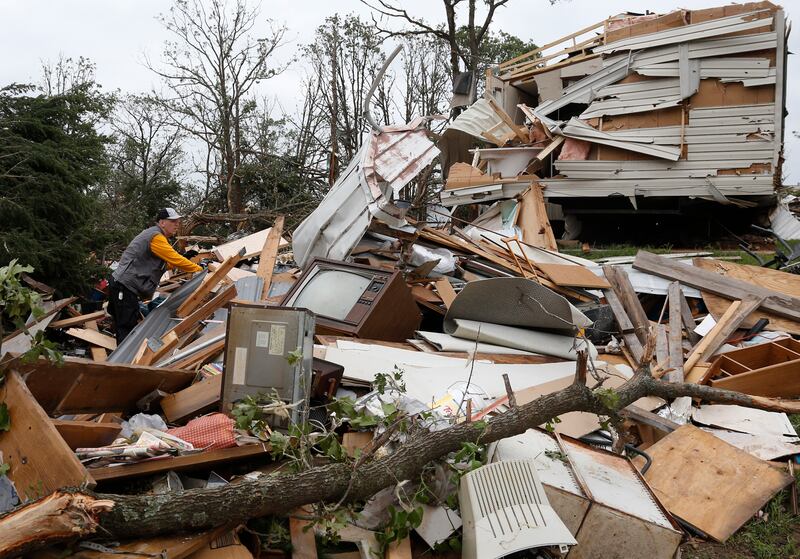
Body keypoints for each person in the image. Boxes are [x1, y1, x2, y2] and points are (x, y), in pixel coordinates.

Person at [109, 208, 203, 343]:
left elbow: (161, 265)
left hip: (122, 284)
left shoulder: (156, 236)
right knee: (126, 326)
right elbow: (174, 259)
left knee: (124, 324)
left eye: (178, 221)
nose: (177, 224)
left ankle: (120, 357)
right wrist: (200, 270)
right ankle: (122, 361)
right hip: (125, 286)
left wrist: (184, 258)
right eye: (173, 221)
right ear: (162, 222)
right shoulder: (156, 237)